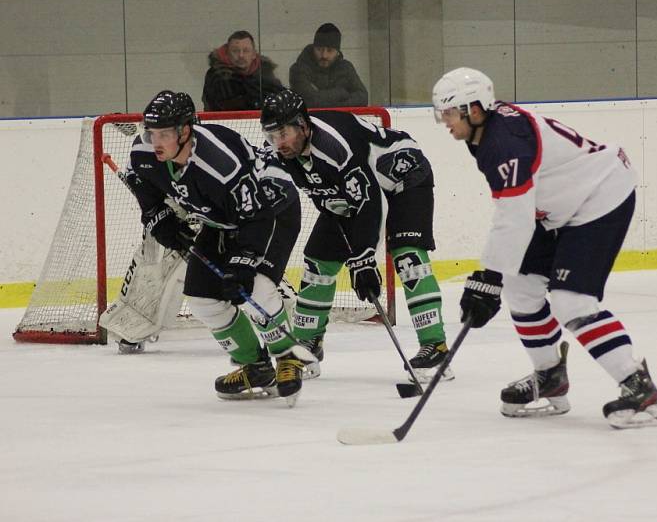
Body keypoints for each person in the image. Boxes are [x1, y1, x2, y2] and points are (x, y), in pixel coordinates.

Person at [432, 68, 657, 429]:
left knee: (571, 301)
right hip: (557, 208)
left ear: (475, 109)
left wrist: (487, 277)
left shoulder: (503, 143)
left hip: (600, 196)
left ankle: (639, 387)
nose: (445, 122)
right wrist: (495, 278)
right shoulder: (486, 132)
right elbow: (516, 210)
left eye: (449, 113)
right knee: (520, 287)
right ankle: (550, 376)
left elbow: (513, 216)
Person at [125, 89, 316, 406]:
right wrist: (161, 221)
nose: (155, 141)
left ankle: (287, 358)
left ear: (185, 131)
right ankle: (255, 367)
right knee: (201, 296)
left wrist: (242, 264)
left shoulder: (219, 164)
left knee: (255, 287)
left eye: (165, 133)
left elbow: (256, 217)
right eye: (151, 132)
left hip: (272, 211)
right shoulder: (145, 153)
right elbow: (143, 186)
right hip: (222, 219)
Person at [259, 89, 451, 382]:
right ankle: (307, 345)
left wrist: (364, 259)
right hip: (352, 193)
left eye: (283, 133)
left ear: (303, 125)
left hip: (404, 180)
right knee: (317, 261)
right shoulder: (282, 150)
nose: (278, 143)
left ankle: (434, 346)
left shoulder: (335, 146)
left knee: (407, 256)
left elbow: (371, 201)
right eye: (272, 135)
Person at [289, 23, 368, 108]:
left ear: (337, 52)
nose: (324, 55)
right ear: (313, 48)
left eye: (330, 50)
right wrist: (341, 93)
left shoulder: (346, 68)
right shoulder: (298, 69)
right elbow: (310, 100)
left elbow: (362, 97)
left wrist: (336, 106)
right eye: (319, 49)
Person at [202, 30, 284, 111]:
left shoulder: (265, 75)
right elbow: (215, 106)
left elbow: (279, 98)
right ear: (227, 54)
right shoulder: (217, 76)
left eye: (246, 51)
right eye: (235, 51)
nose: (241, 55)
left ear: (254, 54)